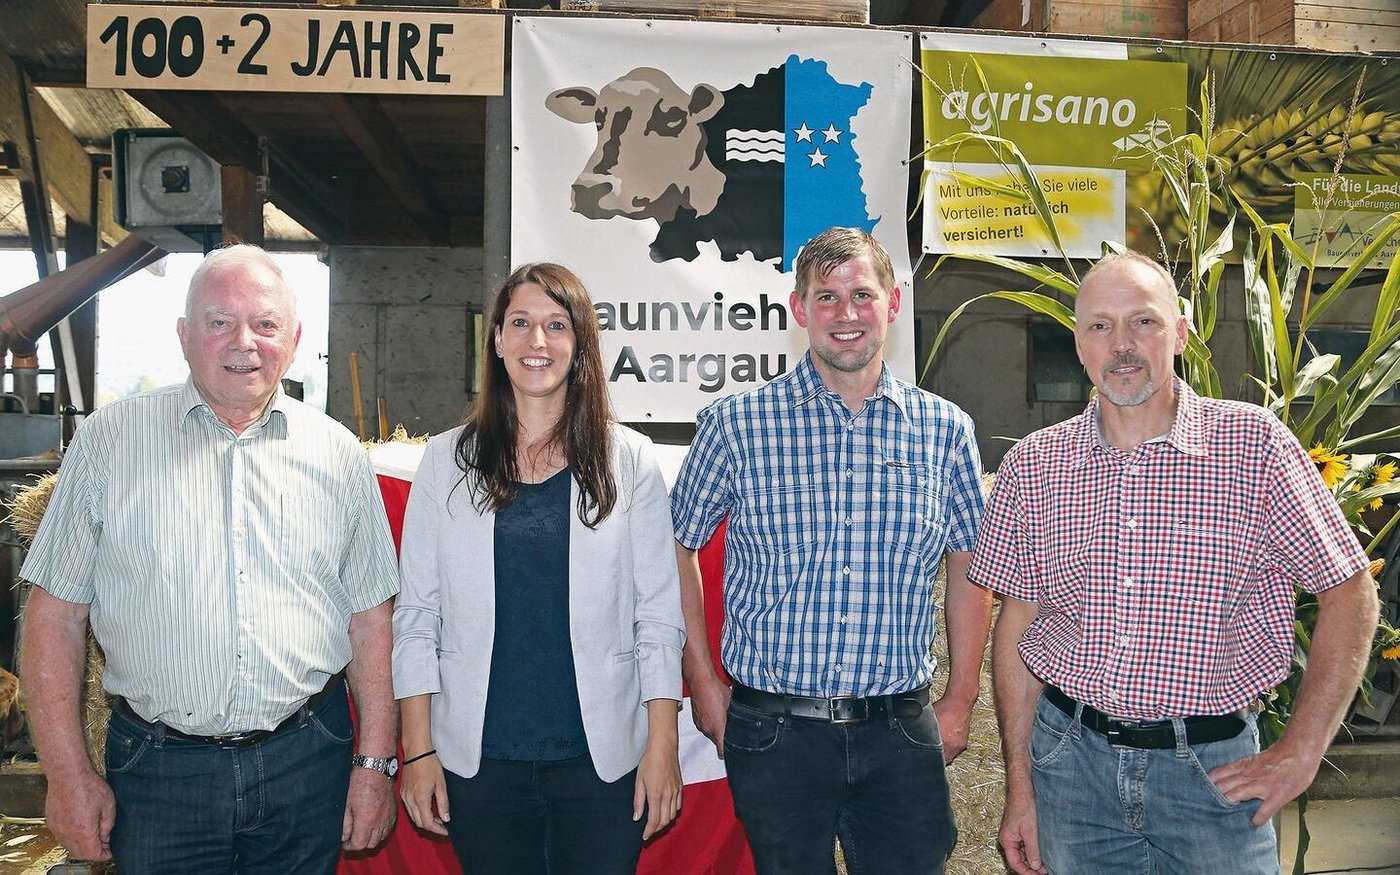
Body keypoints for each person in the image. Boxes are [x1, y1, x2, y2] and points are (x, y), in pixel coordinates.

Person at [970, 250, 1381, 875]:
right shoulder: (1036, 464)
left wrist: (1302, 749)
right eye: (1100, 326)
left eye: (1144, 321)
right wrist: (1021, 788)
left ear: (1181, 333)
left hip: (1215, 774)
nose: (1122, 344)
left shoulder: (1254, 446)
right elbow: (1018, 627)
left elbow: (1350, 591)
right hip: (1071, 773)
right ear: (1079, 344)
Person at [21, 244, 401, 872]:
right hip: (158, 772)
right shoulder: (109, 443)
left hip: (308, 760)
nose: (243, 342)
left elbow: (371, 621)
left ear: (294, 339)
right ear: (184, 335)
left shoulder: (337, 454)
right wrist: (66, 777)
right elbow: (54, 616)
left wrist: (375, 765)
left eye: (265, 323)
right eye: (220, 321)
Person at [670, 227, 991, 875]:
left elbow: (969, 566)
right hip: (774, 732)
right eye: (827, 297)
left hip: (900, 731)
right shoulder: (736, 424)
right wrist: (702, 680)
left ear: (892, 304)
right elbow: (675, 545)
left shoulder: (946, 431)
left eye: (862, 295)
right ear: (800, 309)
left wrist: (960, 698)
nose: (846, 313)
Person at [392, 263, 685, 875]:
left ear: (580, 344)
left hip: (602, 763)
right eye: (521, 323)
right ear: (497, 339)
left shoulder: (630, 461)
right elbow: (417, 616)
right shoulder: (446, 461)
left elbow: (658, 618)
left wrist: (662, 744)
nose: (537, 341)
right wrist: (417, 750)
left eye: (556, 325)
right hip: (479, 761)